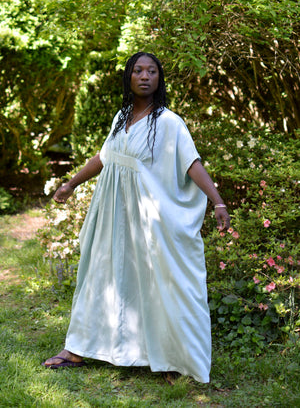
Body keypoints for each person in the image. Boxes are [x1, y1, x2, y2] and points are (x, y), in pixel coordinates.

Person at [43, 52, 230, 383]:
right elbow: (104, 157)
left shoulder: (169, 123)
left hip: (149, 221)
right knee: (102, 276)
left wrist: (217, 202)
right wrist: (71, 183)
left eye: (152, 71)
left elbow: (192, 163)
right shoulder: (121, 117)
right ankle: (78, 348)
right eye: (138, 70)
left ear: (159, 79)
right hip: (113, 217)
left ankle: (174, 358)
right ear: (128, 77)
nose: (145, 76)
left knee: (160, 281)